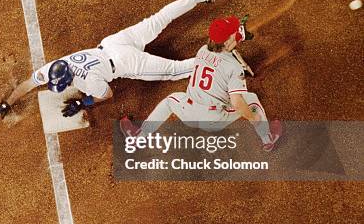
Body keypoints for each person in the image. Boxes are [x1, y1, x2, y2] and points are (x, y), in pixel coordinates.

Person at [0, 0, 233, 118]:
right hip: (114, 42)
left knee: (174, 70)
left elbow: (107, 95)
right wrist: (7, 103)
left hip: (127, 63)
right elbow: (29, 85)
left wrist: (83, 103)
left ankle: (220, 56)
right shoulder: (55, 66)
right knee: (159, 18)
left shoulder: (87, 80)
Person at [120, 15, 282, 151]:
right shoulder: (234, 66)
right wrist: (253, 117)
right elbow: (237, 103)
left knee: (170, 100)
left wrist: (236, 38)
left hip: (188, 112)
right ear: (229, 40)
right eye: (234, 33)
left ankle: (139, 137)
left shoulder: (202, 50)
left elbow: (222, 50)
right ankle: (267, 138)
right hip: (213, 120)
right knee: (251, 99)